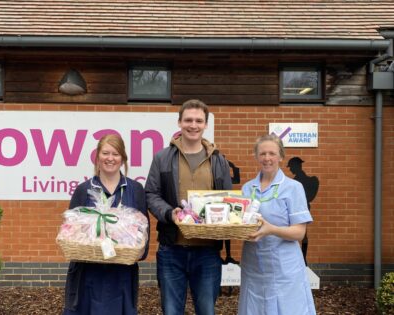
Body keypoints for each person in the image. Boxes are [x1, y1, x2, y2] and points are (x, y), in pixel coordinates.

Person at [145, 99, 232, 315]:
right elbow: (151, 194)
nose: (193, 125)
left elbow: (227, 201)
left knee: (206, 311)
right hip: (172, 249)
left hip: (208, 251)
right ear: (179, 122)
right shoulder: (162, 158)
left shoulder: (218, 160)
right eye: (188, 120)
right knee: (172, 311)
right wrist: (168, 213)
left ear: (206, 124)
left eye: (198, 121)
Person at [63, 134, 149, 315]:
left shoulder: (135, 190)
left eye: (116, 154)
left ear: (123, 158)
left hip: (122, 275)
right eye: (105, 153)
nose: (110, 158)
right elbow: (69, 230)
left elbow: (144, 235)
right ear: (97, 157)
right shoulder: (84, 190)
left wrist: (131, 248)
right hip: (87, 274)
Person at [238, 134, 316, 315]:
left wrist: (270, 229)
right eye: (262, 153)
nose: (267, 158)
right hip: (253, 266)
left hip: (284, 269)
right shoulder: (247, 188)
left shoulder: (293, 188)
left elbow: (299, 233)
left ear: (281, 156)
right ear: (256, 156)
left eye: (272, 153)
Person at [287, 157, 319, 265]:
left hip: (298, 208)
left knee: (299, 233)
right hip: (301, 208)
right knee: (302, 234)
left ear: (297, 166)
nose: (290, 169)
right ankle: (302, 259)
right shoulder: (298, 180)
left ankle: (302, 259)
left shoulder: (297, 182)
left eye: (291, 167)